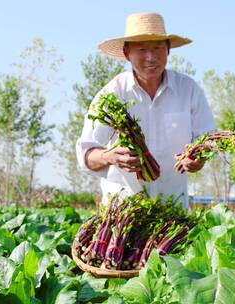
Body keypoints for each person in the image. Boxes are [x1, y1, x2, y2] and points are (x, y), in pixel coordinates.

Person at [76, 12, 215, 207]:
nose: (151, 57)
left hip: (173, 208)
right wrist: (109, 156)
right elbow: (86, 154)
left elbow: (207, 138)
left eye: (158, 48)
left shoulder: (188, 90)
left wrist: (197, 157)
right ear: (127, 53)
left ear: (168, 50)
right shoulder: (112, 94)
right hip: (124, 210)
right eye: (141, 49)